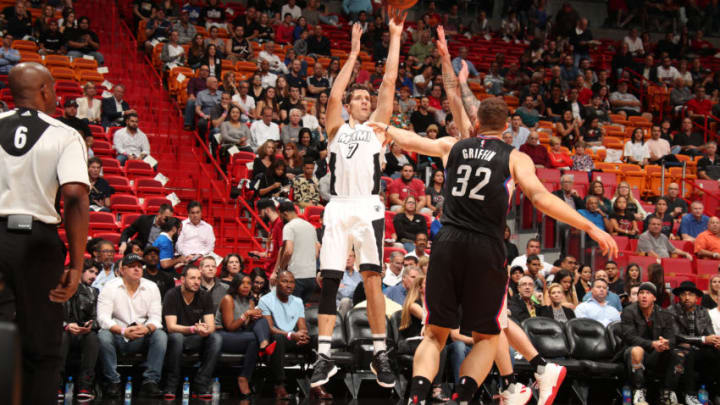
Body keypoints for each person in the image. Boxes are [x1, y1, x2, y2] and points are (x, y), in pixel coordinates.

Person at [369, 34, 616, 403]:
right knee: (487, 336)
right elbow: (542, 198)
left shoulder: (453, 146)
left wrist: (385, 129)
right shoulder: (515, 158)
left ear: (475, 122)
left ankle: (418, 396)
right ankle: (468, 395)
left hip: (448, 242)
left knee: (434, 334)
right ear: (507, 128)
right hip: (486, 246)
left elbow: (412, 139)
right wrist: (590, 225)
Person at [311, 12, 407, 391]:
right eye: (360, 97)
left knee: (372, 278)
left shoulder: (377, 130)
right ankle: (323, 357)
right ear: (350, 105)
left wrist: (395, 36)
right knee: (331, 282)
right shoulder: (336, 128)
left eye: (368, 98)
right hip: (337, 206)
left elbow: (389, 81)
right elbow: (335, 93)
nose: (366, 100)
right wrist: (352, 53)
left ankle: (380, 352)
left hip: (368, 206)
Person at [0, 62, 90, 405]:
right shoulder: (64, 134)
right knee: (42, 345)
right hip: (36, 244)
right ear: (44, 91)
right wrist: (77, 264)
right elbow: (75, 195)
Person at [97, 254, 167, 398]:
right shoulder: (110, 287)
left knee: (160, 335)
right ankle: (113, 382)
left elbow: (156, 318)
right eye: (132, 266)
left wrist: (147, 328)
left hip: (141, 335)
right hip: (118, 335)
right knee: (103, 335)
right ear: (122, 270)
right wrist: (122, 331)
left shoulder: (152, 287)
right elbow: (103, 318)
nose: (137, 269)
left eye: (139, 266)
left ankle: (150, 382)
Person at [162, 265, 222, 399]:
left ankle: (201, 383)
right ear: (182, 279)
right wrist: (193, 329)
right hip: (175, 338)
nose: (196, 282)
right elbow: (171, 327)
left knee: (216, 338)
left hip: (195, 337)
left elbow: (211, 326)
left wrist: (205, 330)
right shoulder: (172, 294)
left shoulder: (204, 296)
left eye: (199, 279)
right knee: (176, 337)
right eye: (192, 278)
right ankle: (171, 385)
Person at [621, 282, 686, 405]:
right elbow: (630, 337)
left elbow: (672, 338)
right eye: (641, 293)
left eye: (648, 293)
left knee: (679, 354)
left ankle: (668, 393)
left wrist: (666, 343)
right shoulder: (629, 311)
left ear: (654, 298)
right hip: (632, 353)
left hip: (656, 353)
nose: (644, 296)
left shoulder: (664, 314)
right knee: (637, 350)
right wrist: (652, 344)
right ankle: (639, 392)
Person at [217, 273, 276, 399]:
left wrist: (254, 317)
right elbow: (230, 327)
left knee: (262, 321)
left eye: (249, 283)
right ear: (236, 285)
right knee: (253, 339)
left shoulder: (250, 301)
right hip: (223, 335)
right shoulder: (228, 299)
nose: (246, 286)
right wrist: (247, 314)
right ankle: (263, 348)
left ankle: (263, 344)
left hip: (240, 334)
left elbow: (246, 325)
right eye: (242, 283)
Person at [259, 270, 312, 400]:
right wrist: (291, 335)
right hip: (276, 338)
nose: (289, 285)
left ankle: (316, 382)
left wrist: (303, 336)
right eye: (285, 281)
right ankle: (279, 384)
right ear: (276, 282)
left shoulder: (298, 301)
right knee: (279, 338)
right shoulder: (265, 300)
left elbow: (302, 326)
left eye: (292, 282)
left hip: (293, 339)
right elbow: (270, 328)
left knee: (316, 340)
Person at [667, 281, 720, 405]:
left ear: (696, 297)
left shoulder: (702, 311)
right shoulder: (671, 310)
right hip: (678, 348)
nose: (686, 297)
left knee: (716, 353)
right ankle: (689, 394)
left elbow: (709, 332)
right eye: (683, 294)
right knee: (688, 351)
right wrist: (702, 340)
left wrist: (715, 342)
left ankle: (716, 394)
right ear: (679, 297)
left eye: (690, 294)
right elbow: (677, 335)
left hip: (699, 348)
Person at [59, 260, 100, 400]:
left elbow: (97, 318)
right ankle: (57, 385)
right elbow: (51, 316)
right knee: (62, 336)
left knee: (93, 337)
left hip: (83, 332)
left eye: (96, 273)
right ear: (80, 272)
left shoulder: (94, 292)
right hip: (64, 330)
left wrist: (89, 325)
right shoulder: (60, 289)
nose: (94, 276)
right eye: (91, 272)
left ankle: (85, 386)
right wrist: (66, 325)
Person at [275, 201, 319, 303]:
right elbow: (316, 251)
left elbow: (288, 251)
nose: (281, 220)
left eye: (281, 217)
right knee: (301, 311)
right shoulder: (310, 226)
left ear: (284, 213)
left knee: (291, 312)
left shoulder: (289, 227)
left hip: (296, 277)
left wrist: (281, 268)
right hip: (311, 277)